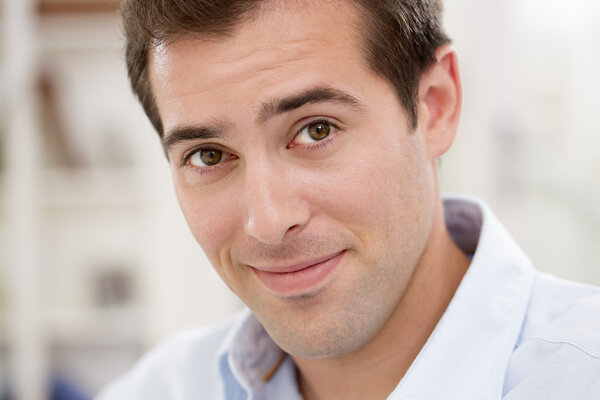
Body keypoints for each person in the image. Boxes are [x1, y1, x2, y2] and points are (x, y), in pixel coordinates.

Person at [97, 0, 600, 399]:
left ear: (435, 107)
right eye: (208, 156)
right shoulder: (159, 389)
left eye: (316, 130)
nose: (268, 222)